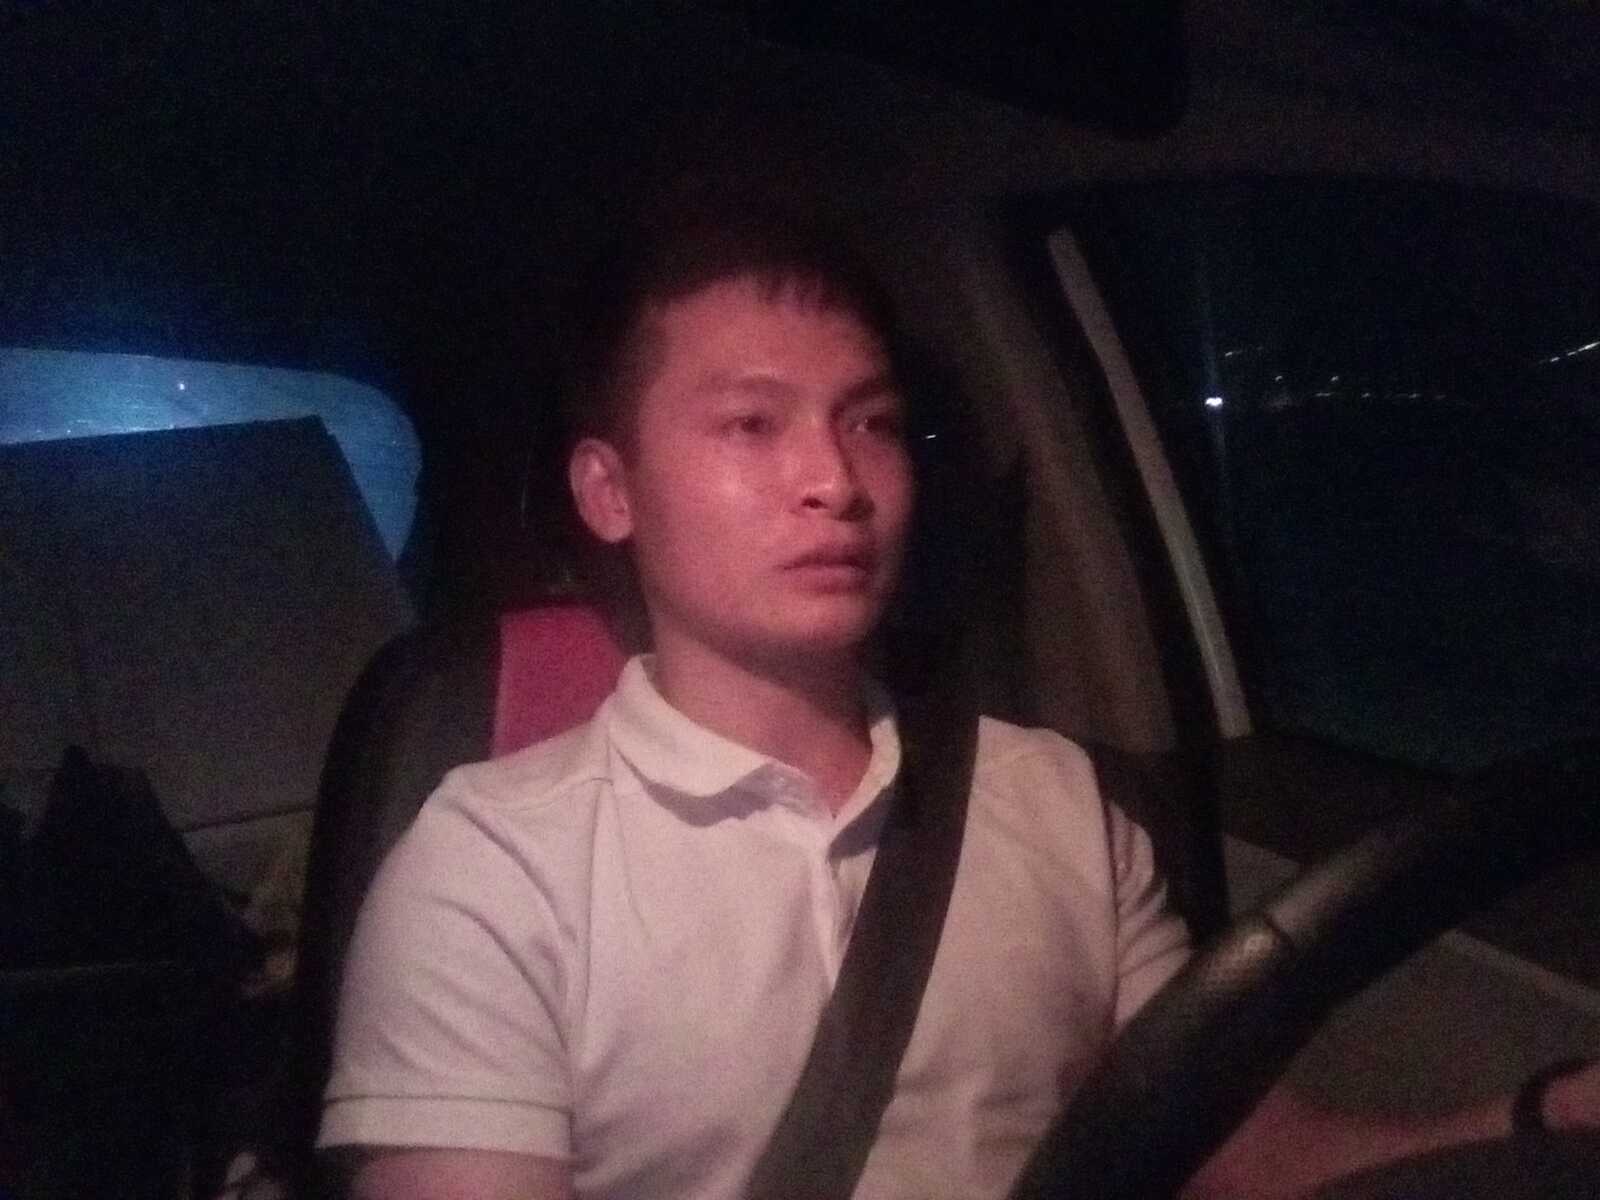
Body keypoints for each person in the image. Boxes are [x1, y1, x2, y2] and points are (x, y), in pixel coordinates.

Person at [317, 197, 1600, 1200]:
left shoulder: (1055, 801)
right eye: (753, 426)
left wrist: (1538, 1116)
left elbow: (1238, 1158)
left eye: (870, 424)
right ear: (610, 492)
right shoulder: (492, 870)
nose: (835, 481)